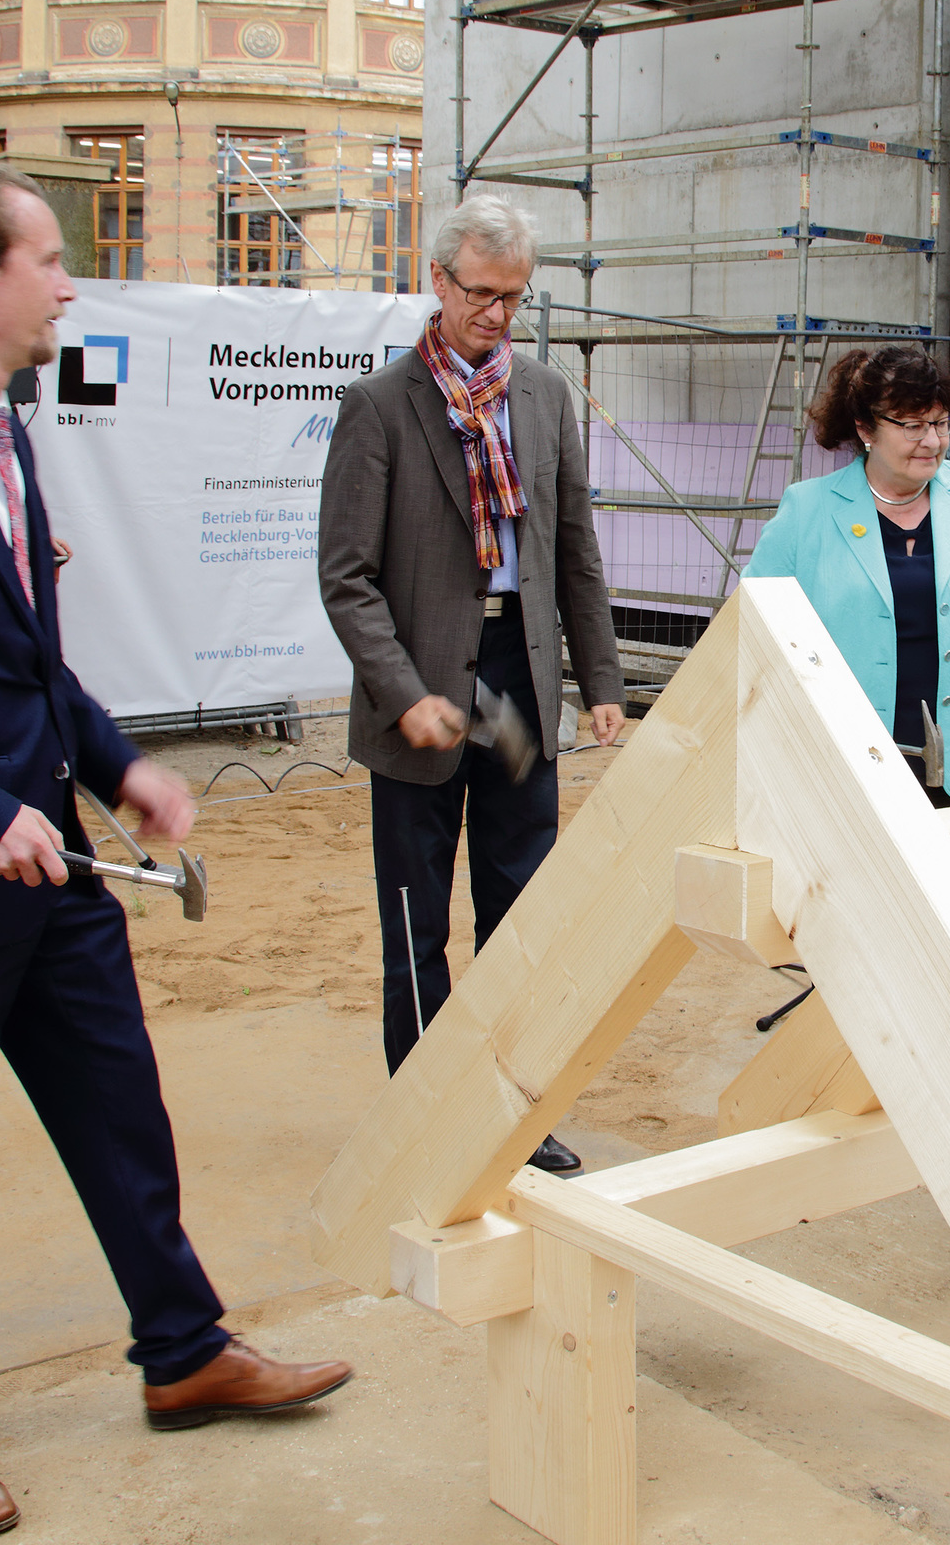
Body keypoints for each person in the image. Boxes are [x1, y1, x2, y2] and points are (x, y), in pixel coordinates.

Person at [0, 161, 350, 1538]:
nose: (70, 282)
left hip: (63, 882)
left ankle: (184, 1350)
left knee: (121, 1116)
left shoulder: (9, 434)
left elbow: (26, 665)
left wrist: (121, 768)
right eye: (48, 258)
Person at [318, 195, 625, 1174]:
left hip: (520, 686)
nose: (497, 314)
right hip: (419, 697)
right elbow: (347, 577)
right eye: (482, 294)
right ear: (440, 281)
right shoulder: (379, 408)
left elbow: (574, 548)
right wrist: (404, 692)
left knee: (519, 909)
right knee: (417, 916)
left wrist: (602, 676)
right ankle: (422, 1114)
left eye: (514, 297)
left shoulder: (541, 397)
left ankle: (508, 1115)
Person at [743, 345, 950, 804]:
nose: (933, 441)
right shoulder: (808, 510)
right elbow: (755, 632)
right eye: (912, 426)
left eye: (942, 423)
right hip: (842, 767)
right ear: (866, 428)